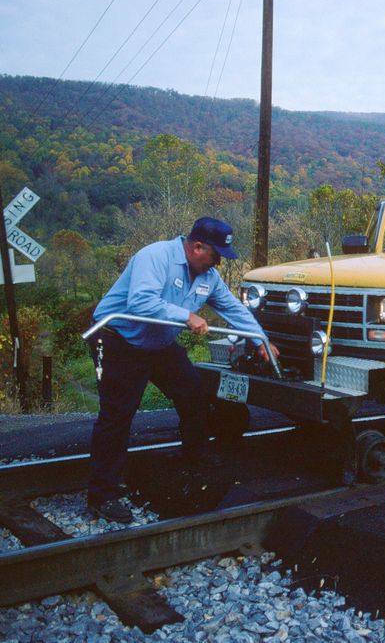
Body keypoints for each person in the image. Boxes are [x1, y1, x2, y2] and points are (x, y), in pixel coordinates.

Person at [87, 217, 278, 523]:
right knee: (117, 414)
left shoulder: (208, 277)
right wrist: (186, 316)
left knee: (192, 392)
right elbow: (140, 302)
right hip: (118, 340)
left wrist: (260, 341)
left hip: (158, 343)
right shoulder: (156, 256)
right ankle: (102, 494)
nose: (217, 263)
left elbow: (233, 309)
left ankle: (194, 456)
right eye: (215, 256)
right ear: (197, 246)